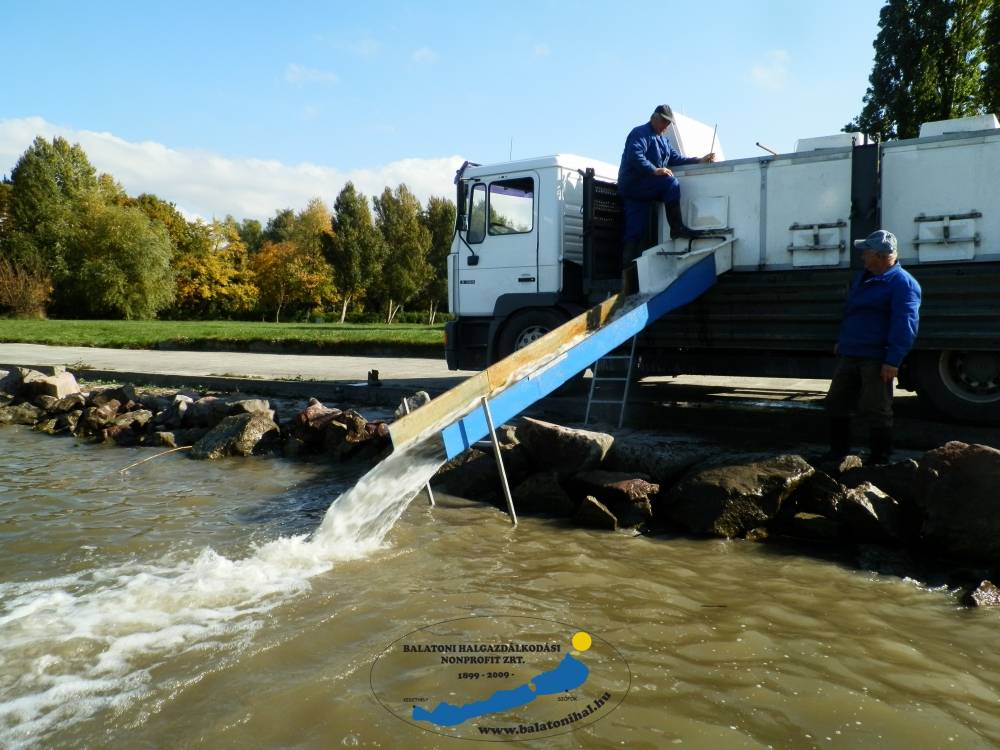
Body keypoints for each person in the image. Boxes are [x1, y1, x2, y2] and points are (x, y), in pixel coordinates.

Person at [825, 229, 922, 464]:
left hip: (877, 357)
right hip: (851, 352)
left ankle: (880, 457)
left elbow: (905, 324)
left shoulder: (903, 284)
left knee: (877, 408)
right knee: (836, 402)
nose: (862, 258)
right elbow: (852, 312)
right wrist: (843, 341)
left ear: (880, 255)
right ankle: (838, 453)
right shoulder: (865, 277)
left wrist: (893, 360)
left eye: (866, 253)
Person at [617, 104, 716, 264]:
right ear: (654, 118)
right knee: (670, 183)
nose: (667, 125)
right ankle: (676, 229)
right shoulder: (639, 133)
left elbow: (676, 159)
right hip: (634, 186)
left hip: (644, 188)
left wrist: (699, 160)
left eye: (669, 123)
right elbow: (634, 156)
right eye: (664, 121)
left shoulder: (664, 140)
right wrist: (655, 170)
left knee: (637, 231)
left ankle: (632, 272)